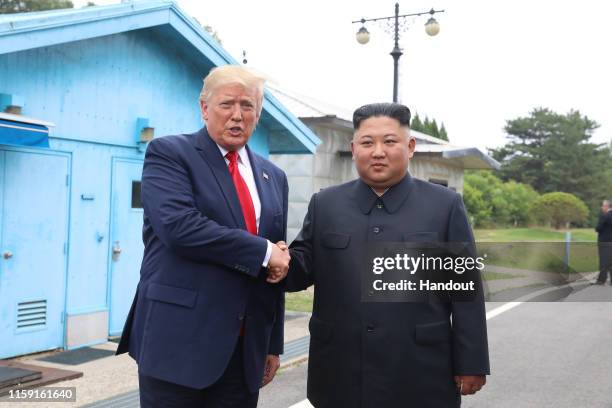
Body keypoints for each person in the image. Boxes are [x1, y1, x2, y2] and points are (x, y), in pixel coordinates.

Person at [280, 103, 490, 407]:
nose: (378, 151)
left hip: (420, 371)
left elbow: (465, 291)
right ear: (353, 148)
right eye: (367, 142)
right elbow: (302, 268)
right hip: (340, 371)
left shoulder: (444, 206)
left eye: (390, 141)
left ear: (410, 146)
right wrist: (278, 261)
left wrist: (472, 361)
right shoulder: (326, 204)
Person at [116, 65, 290, 408]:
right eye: (227, 104)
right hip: (177, 343)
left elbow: (275, 266)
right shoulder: (170, 154)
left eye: (248, 106)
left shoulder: (274, 176)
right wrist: (265, 252)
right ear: (204, 108)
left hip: (243, 351)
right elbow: (180, 228)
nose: (237, 116)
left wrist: (272, 343)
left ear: (258, 113)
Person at [594, 199, 612, 285]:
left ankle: (601, 280)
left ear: (607, 206)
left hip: (605, 242)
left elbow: (598, 228)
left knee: (603, 261)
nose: (602, 207)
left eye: (603, 205)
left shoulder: (604, 216)